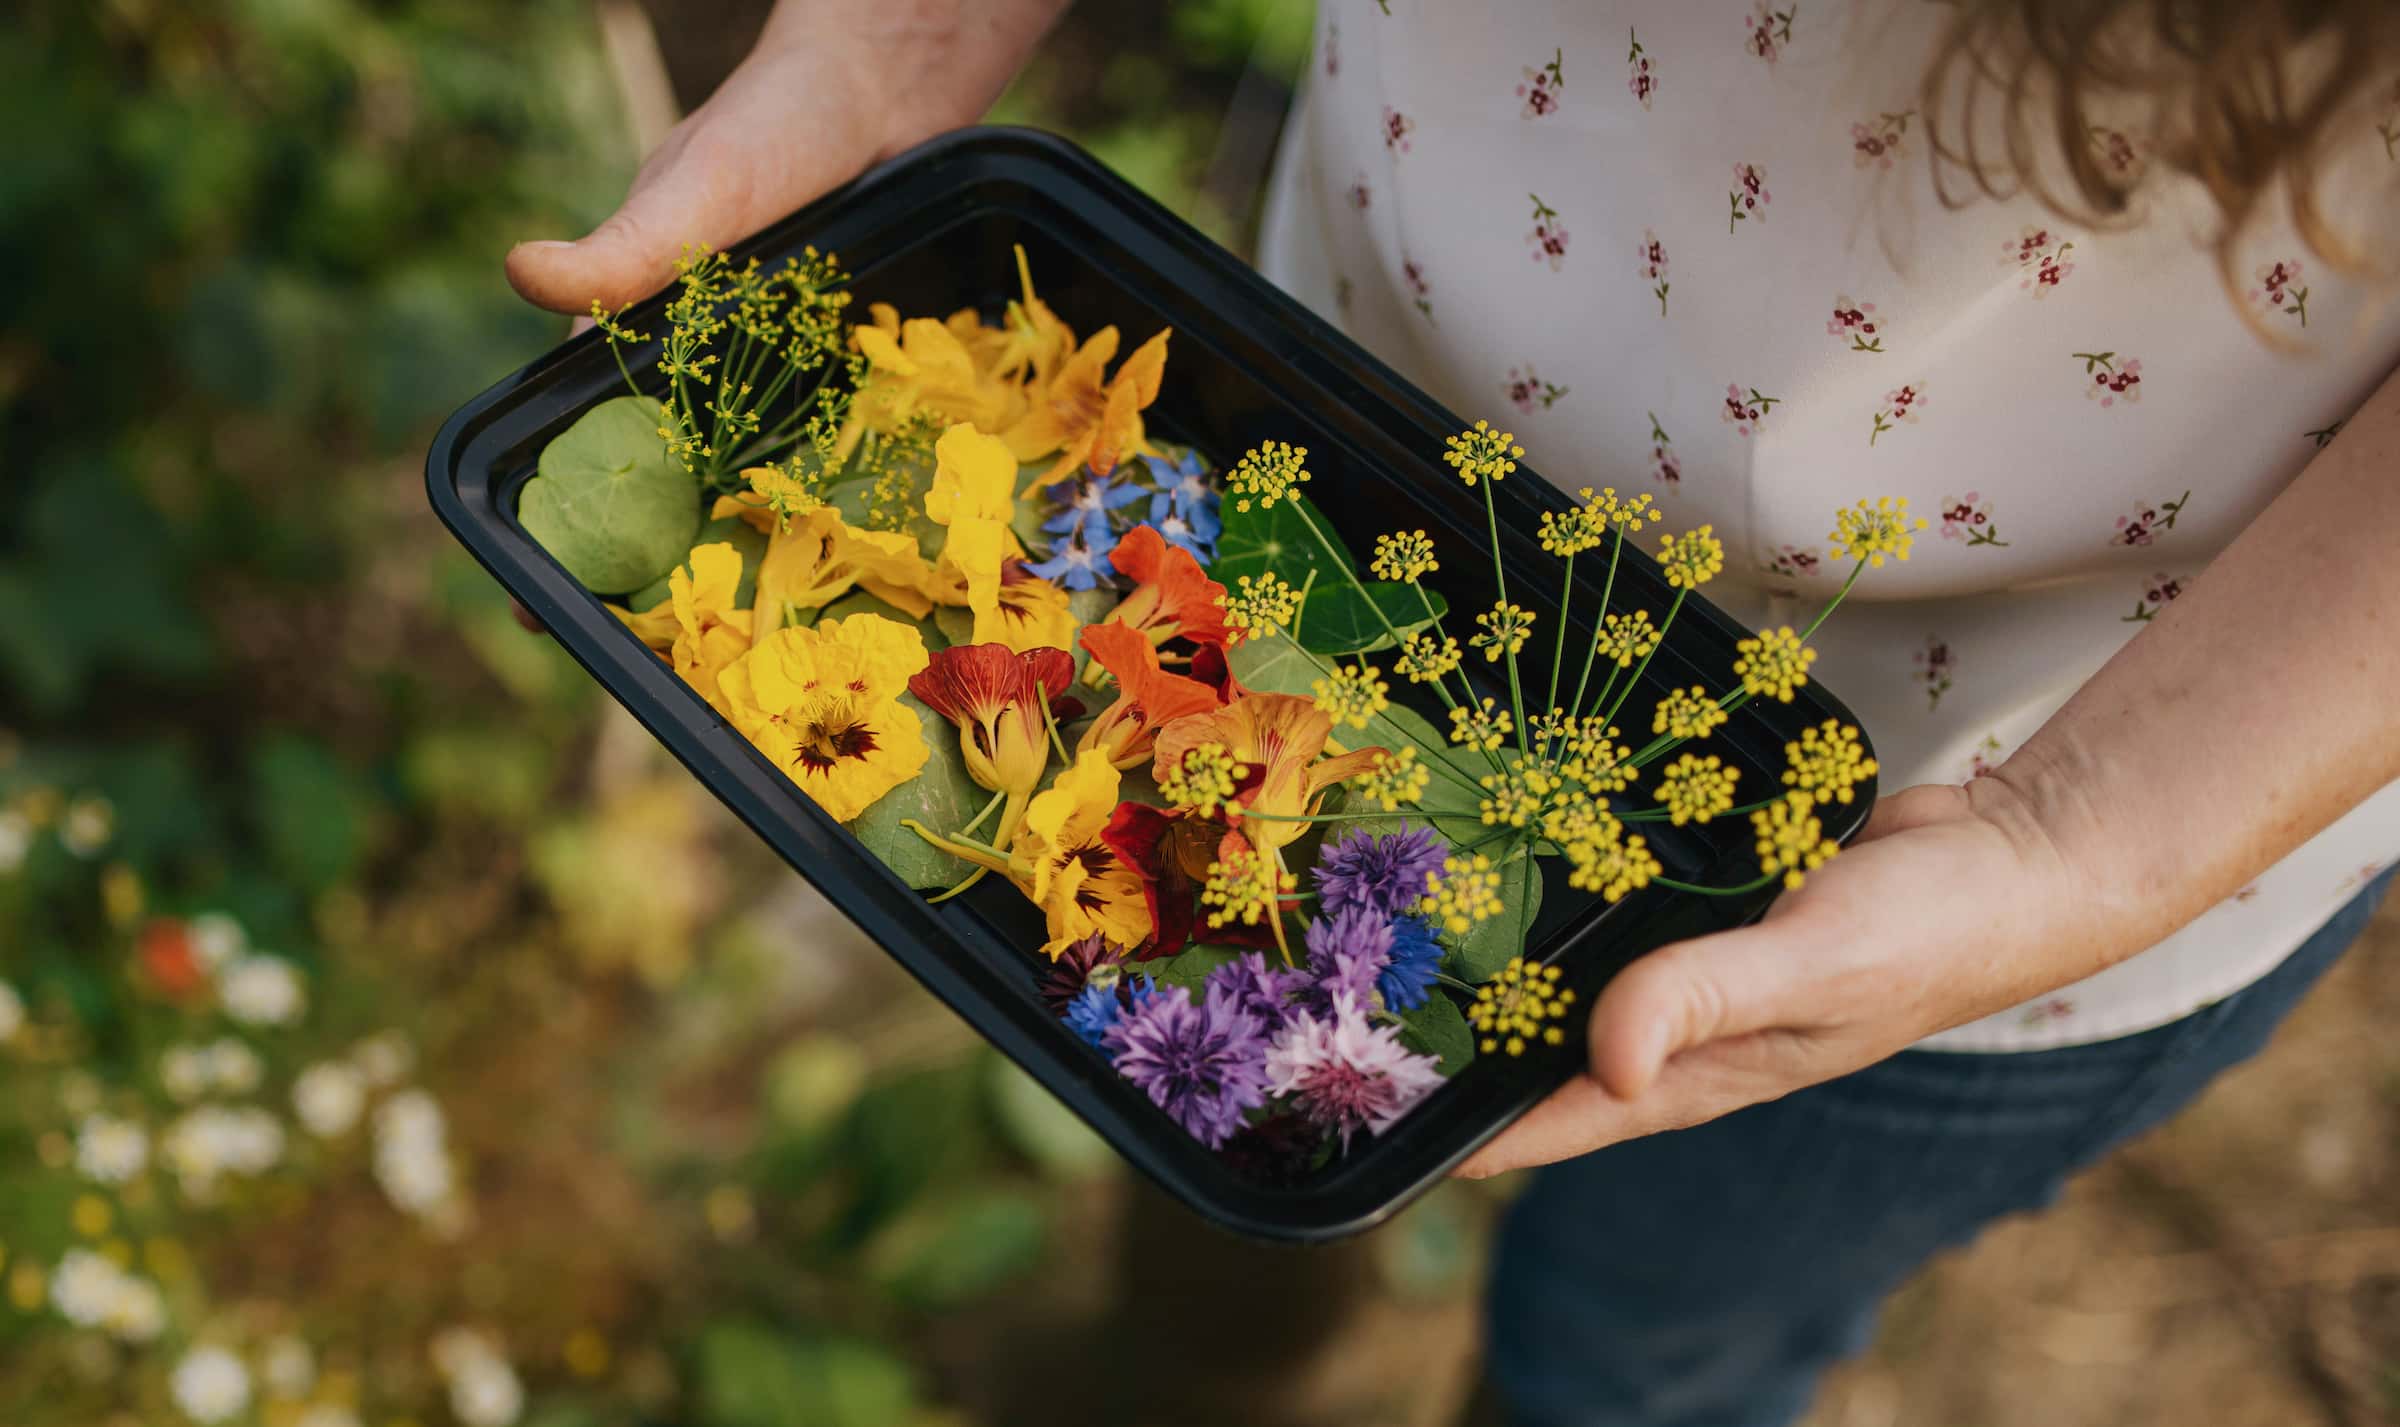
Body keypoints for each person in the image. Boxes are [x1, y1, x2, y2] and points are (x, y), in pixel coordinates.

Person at [507, 3, 2400, 1423]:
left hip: (2027, 784)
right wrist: (892, 41)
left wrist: (2076, 845)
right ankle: (1195, 1367)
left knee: (1642, 1347)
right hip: (1336, 410)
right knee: (1229, 1131)